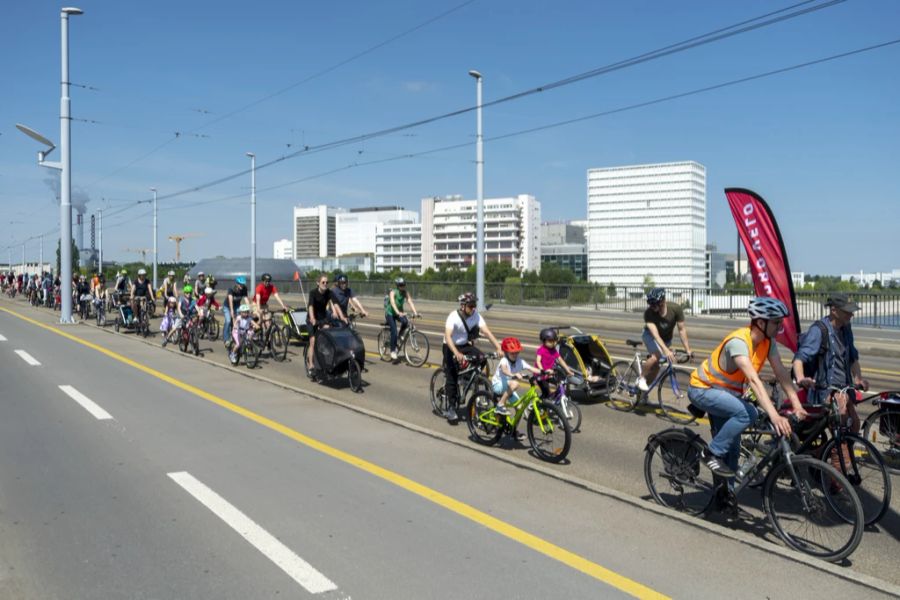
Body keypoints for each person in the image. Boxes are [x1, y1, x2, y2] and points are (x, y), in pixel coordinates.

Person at [688, 297, 807, 480]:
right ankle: (710, 452)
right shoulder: (738, 342)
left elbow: (781, 372)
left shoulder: (768, 342)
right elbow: (753, 379)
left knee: (733, 451)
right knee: (748, 414)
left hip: (726, 394)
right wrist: (775, 416)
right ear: (760, 322)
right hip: (703, 390)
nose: (779, 327)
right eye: (776, 322)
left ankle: (724, 498)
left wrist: (797, 404)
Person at [793, 294, 869, 470]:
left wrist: (858, 378)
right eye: (847, 312)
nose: (851, 315)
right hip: (827, 391)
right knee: (841, 440)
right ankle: (836, 488)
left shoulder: (846, 328)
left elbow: (852, 358)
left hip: (844, 390)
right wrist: (801, 378)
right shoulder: (819, 330)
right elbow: (799, 359)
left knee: (854, 427)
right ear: (834, 310)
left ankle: (816, 457)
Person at [442, 292, 502, 422]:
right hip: (450, 346)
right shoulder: (453, 316)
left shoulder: (476, 315)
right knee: (451, 376)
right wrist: (457, 353)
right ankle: (452, 408)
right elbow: (448, 336)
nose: (473, 308)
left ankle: (467, 377)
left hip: (464, 345)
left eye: (474, 305)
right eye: (471, 306)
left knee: (482, 357)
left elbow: (486, 331)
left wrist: (498, 347)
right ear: (463, 306)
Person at [637, 288, 694, 392]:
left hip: (666, 339)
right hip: (650, 335)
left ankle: (642, 394)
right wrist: (666, 351)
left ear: (662, 301)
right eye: (650, 303)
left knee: (656, 368)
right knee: (655, 357)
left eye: (654, 303)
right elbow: (656, 335)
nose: (651, 306)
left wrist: (687, 349)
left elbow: (681, 330)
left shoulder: (675, 309)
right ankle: (641, 378)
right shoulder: (648, 313)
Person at [306, 274, 345, 376]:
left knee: (328, 338)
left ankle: (327, 362)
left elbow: (336, 304)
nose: (325, 284)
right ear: (318, 283)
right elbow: (310, 306)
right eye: (323, 282)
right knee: (313, 341)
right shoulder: (313, 293)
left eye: (327, 282)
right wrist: (312, 318)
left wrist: (342, 317)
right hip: (312, 320)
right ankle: (311, 365)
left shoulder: (329, 293)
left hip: (323, 319)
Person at [493, 337, 542, 416]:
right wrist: (513, 375)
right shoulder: (504, 360)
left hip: (509, 387)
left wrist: (544, 371)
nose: (515, 355)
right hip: (498, 385)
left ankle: (511, 426)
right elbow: (504, 370)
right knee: (515, 384)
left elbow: (531, 368)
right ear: (506, 352)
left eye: (516, 352)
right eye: (512, 353)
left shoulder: (520, 361)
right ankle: (500, 405)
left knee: (520, 408)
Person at [535, 328, 581, 398]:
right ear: (544, 341)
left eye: (554, 341)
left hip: (549, 373)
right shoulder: (541, 350)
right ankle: (540, 405)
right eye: (550, 341)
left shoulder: (553, 350)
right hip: (540, 375)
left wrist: (568, 370)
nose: (553, 343)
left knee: (561, 384)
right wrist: (542, 370)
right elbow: (538, 361)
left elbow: (560, 360)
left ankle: (554, 401)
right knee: (546, 392)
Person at [384, 277, 419, 361]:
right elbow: (392, 303)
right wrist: (398, 312)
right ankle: (393, 351)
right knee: (394, 331)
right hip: (390, 313)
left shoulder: (405, 292)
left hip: (399, 313)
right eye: (401, 285)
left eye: (404, 285)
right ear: (398, 285)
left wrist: (415, 312)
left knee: (406, 322)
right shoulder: (393, 292)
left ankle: (399, 337)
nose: (403, 286)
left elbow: (410, 301)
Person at [223, 276, 249, 346]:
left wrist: (249, 309)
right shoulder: (231, 289)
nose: (242, 286)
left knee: (239, 320)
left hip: (237, 305)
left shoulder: (244, 289)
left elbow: (246, 299)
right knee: (228, 321)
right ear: (237, 284)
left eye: (243, 284)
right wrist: (231, 311)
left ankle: (237, 336)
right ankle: (226, 339)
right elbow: (230, 300)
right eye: (240, 284)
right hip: (227, 306)